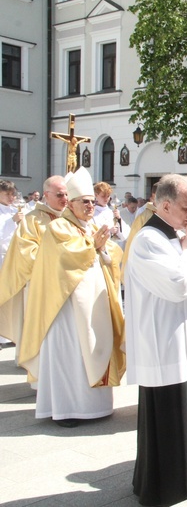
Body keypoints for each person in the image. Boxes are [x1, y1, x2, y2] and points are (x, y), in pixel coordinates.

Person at [125, 174, 187, 505]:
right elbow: (177, 285)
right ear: (165, 205)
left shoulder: (175, 236)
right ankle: (168, 486)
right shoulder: (147, 240)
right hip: (166, 346)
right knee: (171, 419)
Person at [19, 167, 124, 427]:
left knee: (92, 347)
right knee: (71, 356)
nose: (90, 206)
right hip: (65, 307)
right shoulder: (58, 227)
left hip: (93, 303)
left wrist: (104, 250)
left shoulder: (90, 226)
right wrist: (94, 247)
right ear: (72, 204)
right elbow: (65, 258)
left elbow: (111, 254)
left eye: (92, 202)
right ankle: (67, 410)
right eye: (85, 202)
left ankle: (96, 407)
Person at [0, 176, 68, 351]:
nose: (65, 199)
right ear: (46, 194)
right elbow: (25, 251)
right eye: (60, 195)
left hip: (66, 279)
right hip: (40, 280)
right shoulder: (33, 219)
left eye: (67, 194)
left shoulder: (69, 218)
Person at [0, 179, 23, 346]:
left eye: (13, 194)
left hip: (15, 257)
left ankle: (10, 333)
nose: (11, 196)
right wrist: (12, 221)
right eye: (7, 193)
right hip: (1, 257)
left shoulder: (16, 210)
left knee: (14, 295)